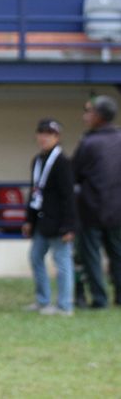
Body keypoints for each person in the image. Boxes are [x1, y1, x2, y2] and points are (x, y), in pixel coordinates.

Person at [21, 118, 77, 316]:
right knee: (35, 257)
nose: (44, 138)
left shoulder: (62, 162)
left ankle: (64, 305)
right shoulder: (37, 160)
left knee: (62, 263)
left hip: (59, 222)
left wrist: (69, 226)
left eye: (49, 134)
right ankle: (43, 300)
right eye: (41, 133)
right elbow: (34, 191)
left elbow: (68, 196)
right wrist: (29, 219)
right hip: (41, 221)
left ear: (57, 137)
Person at [72, 95, 121, 309]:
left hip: (91, 209)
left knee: (91, 256)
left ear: (99, 116)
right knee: (117, 254)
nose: (85, 116)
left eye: (89, 111)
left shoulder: (89, 142)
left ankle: (99, 299)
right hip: (118, 210)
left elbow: (74, 174)